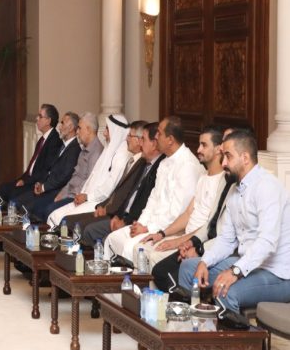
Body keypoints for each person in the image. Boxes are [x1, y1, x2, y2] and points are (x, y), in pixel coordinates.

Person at [179, 129, 290, 350]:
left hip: (277, 273)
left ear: (245, 157)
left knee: (225, 289)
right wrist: (205, 262)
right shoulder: (234, 191)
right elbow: (227, 240)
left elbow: (268, 242)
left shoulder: (268, 187)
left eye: (227, 156)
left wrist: (236, 271)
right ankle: (195, 345)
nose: (224, 162)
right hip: (246, 263)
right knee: (188, 269)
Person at [103, 116, 204, 261]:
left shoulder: (188, 166)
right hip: (149, 224)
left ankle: (125, 275)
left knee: (130, 247)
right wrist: (141, 223)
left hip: (167, 230)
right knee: (112, 239)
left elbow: (177, 213)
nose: (156, 136)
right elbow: (153, 199)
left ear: (170, 140)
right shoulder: (164, 162)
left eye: (160, 133)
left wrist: (148, 228)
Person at [138, 125, 228, 278]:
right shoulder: (203, 178)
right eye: (199, 144)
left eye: (204, 145)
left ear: (219, 149)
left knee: (155, 260)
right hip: (187, 237)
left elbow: (209, 228)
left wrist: (180, 242)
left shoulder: (223, 182)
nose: (198, 150)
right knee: (145, 248)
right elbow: (187, 214)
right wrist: (161, 234)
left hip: (199, 243)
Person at [79, 122, 165, 248]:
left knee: (102, 238)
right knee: (85, 229)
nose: (140, 143)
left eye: (143, 139)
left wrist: (124, 221)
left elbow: (144, 202)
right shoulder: (143, 162)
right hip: (122, 216)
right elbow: (126, 194)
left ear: (154, 144)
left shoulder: (158, 167)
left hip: (135, 221)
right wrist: (117, 216)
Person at [48, 115, 134, 228]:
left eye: (107, 129)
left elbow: (108, 189)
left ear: (116, 132)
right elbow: (92, 177)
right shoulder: (109, 149)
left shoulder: (121, 156)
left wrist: (87, 197)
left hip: (96, 202)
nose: (104, 133)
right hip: (86, 197)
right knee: (54, 215)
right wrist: (82, 194)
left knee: (63, 220)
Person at [26, 111, 103, 221]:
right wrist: (62, 194)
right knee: (36, 204)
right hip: (68, 193)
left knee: (47, 210)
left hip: (76, 197)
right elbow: (74, 177)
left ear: (88, 129)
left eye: (79, 128)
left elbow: (88, 183)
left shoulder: (96, 152)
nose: (77, 132)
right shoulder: (84, 149)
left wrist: (66, 195)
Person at [15, 111, 82, 221]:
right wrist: (41, 183)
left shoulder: (74, 150)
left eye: (62, 123)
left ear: (70, 128)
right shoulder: (63, 146)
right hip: (48, 187)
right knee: (19, 201)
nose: (59, 127)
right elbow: (50, 169)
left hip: (57, 191)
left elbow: (64, 177)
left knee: (28, 206)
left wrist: (44, 187)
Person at [0, 104, 62, 202]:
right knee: (3, 188)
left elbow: (45, 171)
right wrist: (22, 179)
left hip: (35, 183)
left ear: (48, 121)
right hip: (29, 179)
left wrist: (25, 181)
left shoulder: (54, 141)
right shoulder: (42, 139)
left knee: (11, 193)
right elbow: (32, 167)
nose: (36, 118)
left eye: (40, 116)